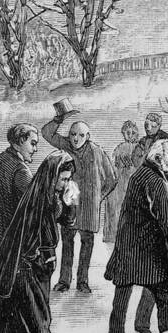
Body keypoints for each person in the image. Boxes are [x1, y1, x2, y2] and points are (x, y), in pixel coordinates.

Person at [0, 153, 77, 333]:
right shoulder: (37, 197)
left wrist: (69, 202)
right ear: (52, 176)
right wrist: (37, 256)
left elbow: (67, 221)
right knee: (34, 312)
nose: (67, 183)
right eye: (64, 179)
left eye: (68, 179)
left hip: (40, 263)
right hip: (28, 263)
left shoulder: (52, 195)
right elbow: (30, 232)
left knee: (34, 310)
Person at [104, 137, 168, 333]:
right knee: (163, 293)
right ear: (159, 157)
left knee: (122, 292)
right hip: (146, 247)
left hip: (128, 244)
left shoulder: (141, 174)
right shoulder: (156, 180)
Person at [42, 111, 117, 296]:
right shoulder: (66, 145)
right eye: (73, 134)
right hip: (70, 204)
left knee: (87, 243)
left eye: (81, 135)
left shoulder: (97, 151)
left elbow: (112, 179)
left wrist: (99, 196)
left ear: (88, 136)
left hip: (90, 207)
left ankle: (83, 281)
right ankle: (64, 281)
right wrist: (59, 118)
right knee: (67, 243)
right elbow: (47, 133)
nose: (76, 139)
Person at [0, 123, 40, 269]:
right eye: (32, 144)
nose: (35, 149)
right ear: (20, 142)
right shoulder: (21, 171)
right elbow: (34, 206)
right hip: (10, 243)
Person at [103, 121, 140, 242]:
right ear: (123, 133)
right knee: (116, 208)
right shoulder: (119, 148)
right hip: (120, 183)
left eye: (133, 133)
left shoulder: (139, 148)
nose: (130, 135)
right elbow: (114, 167)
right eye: (127, 133)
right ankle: (115, 236)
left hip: (133, 182)